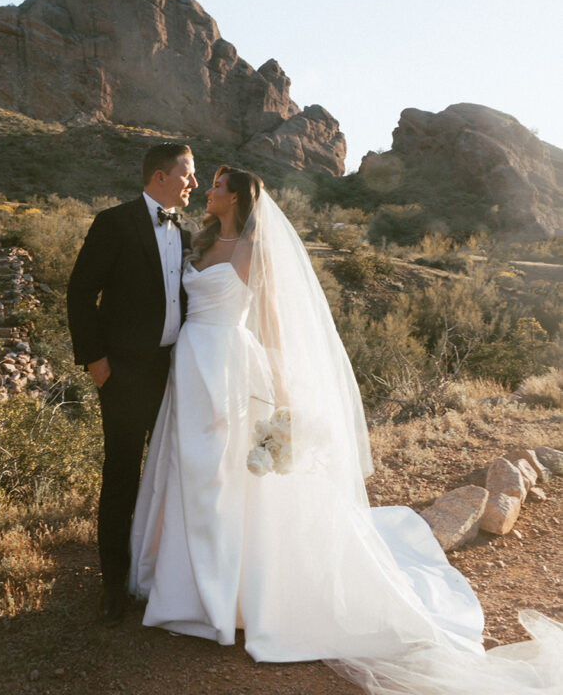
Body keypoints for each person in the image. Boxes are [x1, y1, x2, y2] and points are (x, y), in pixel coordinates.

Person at [129, 166, 561, 694]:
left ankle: (222, 599)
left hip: (228, 372)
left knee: (221, 479)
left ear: (238, 196)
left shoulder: (251, 250)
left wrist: (284, 404)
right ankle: (182, 586)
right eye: (209, 182)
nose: (208, 191)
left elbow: (275, 327)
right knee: (187, 471)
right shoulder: (197, 244)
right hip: (189, 370)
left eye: (218, 185)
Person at [67, 142, 197, 626]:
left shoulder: (185, 233)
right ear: (160, 177)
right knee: (122, 474)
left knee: (166, 475)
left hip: (173, 374)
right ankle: (112, 585)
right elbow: (81, 291)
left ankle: (157, 573)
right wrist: (96, 362)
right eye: (188, 174)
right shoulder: (114, 222)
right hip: (122, 373)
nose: (194, 184)